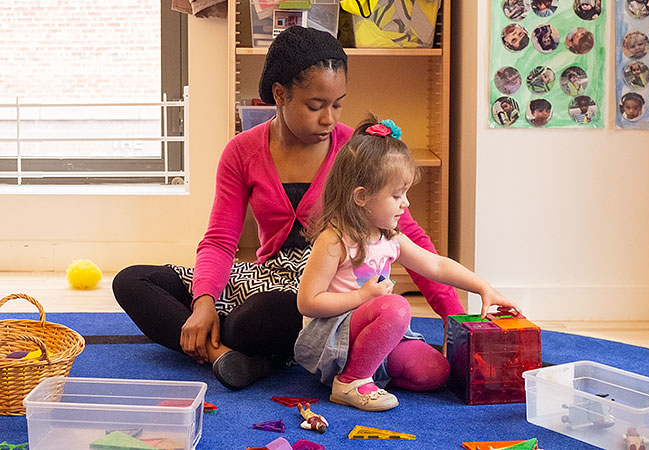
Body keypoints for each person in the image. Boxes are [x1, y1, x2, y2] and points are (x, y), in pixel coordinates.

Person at [112, 26, 465, 391]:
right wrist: (203, 302)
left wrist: (457, 320)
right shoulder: (242, 151)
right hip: (262, 277)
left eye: (338, 104)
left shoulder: (356, 151)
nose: (329, 118)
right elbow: (219, 240)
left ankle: (243, 349)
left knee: (263, 317)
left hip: (323, 289)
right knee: (133, 281)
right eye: (316, 106)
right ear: (279, 95)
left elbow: (407, 236)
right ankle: (225, 355)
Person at [293, 115, 519, 411]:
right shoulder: (334, 240)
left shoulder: (390, 238)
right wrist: (362, 297)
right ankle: (350, 380)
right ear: (361, 197)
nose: (406, 203)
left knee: (435, 371)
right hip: (335, 337)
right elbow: (307, 302)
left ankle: (369, 369)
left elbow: (436, 265)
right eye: (397, 195)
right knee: (397, 306)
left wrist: (482, 287)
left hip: (379, 332)